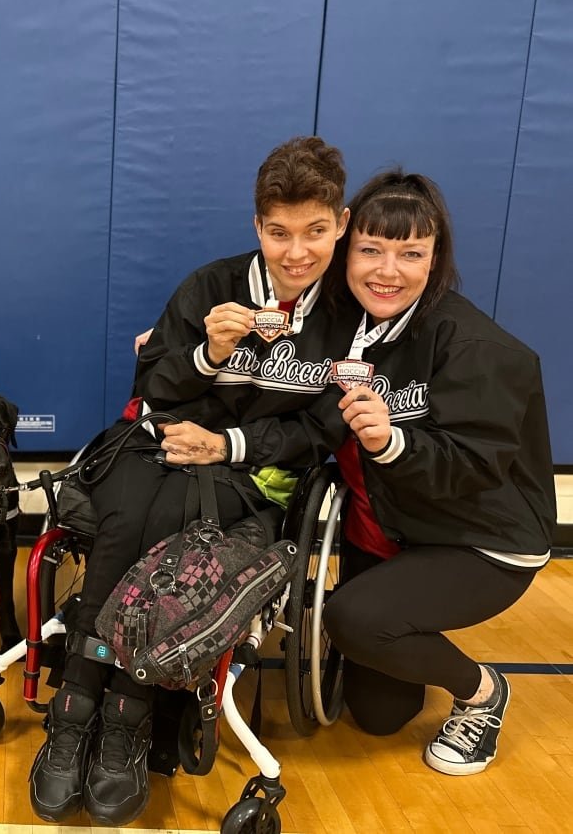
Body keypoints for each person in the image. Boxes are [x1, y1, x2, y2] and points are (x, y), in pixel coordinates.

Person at [30, 136, 359, 825]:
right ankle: (82, 710)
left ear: (343, 223)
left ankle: (114, 709)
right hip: (152, 448)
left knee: (165, 514)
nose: (296, 251)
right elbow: (149, 384)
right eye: (278, 232)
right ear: (257, 227)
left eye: (315, 232)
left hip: (245, 474)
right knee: (132, 509)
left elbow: (319, 431)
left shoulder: (347, 320)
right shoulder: (212, 286)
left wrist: (228, 442)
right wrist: (208, 352)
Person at [217, 171, 555, 775]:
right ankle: (385, 621)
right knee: (378, 715)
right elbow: (269, 330)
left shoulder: (478, 348)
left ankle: (482, 693)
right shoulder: (345, 323)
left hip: (481, 538)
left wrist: (393, 442)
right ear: (348, 247)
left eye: (411, 254)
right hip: (392, 527)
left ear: (435, 260)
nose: (387, 271)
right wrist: (192, 348)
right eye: (371, 249)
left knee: (355, 621)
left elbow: (476, 468)